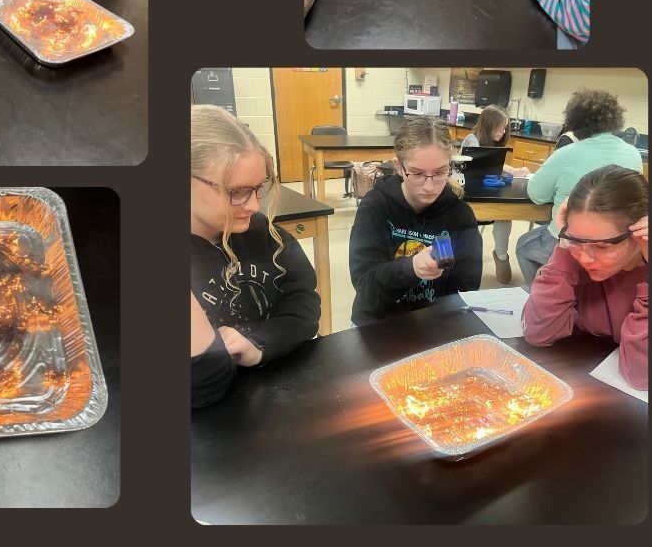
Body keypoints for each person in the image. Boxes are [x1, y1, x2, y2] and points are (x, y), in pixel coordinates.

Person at [190, 105, 320, 408]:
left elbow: (304, 306)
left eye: (258, 188)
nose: (252, 206)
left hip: (277, 393)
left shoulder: (263, 232)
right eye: (235, 191)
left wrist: (259, 344)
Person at [522, 165, 648, 390]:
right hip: (580, 383)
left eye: (602, 246)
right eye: (577, 241)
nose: (586, 258)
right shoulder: (574, 257)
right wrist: (565, 245)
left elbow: (641, 376)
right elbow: (539, 333)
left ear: (639, 233)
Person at [349, 115, 483, 325]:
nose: (429, 187)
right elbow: (365, 285)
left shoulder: (460, 216)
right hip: (376, 325)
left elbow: (464, 290)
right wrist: (410, 268)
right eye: (417, 173)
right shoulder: (375, 206)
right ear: (399, 167)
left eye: (440, 172)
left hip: (433, 327)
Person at [514, 88, 643, 287]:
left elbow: (537, 194)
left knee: (524, 246)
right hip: (618, 241)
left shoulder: (567, 153)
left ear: (575, 122)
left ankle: (542, 290)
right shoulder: (633, 153)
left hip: (571, 238)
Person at [460, 105, 529, 283]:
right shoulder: (472, 140)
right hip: (468, 199)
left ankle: (501, 255)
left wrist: (512, 171)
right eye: (501, 127)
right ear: (490, 125)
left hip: (488, 194)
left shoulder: (493, 143)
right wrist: (512, 170)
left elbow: (492, 165)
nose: (503, 131)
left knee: (504, 214)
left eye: (505, 127)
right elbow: (481, 162)